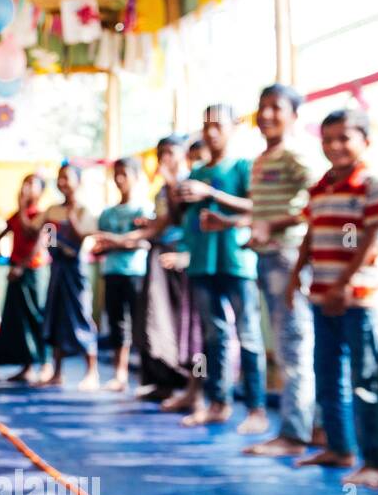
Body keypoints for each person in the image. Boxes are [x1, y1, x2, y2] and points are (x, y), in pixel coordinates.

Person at [291, 110, 378, 487]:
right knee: (328, 373)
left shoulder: (372, 184)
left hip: (360, 299)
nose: (335, 146)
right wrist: (295, 277)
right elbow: (310, 235)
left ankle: (375, 460)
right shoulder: (320, 188)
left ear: (365, 141)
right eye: (328, 138)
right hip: (322, 296)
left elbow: (368, 241)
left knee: (365, 380)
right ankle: (340, 448)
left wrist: (343, 285)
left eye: (344, 137)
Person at [175, 104, 268, 433]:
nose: (211, 132)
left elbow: (259, 206)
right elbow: (183, 221)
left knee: (248, 336)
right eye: (206, 125)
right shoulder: (195, 172)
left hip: (237, 262)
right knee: (213, 338)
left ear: (234, 127)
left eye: (217, 125)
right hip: (201, 263)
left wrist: (212, 193)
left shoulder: (244, 166)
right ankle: (218, 403)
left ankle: (256, 408)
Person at [243, 84, 318, 456]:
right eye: (262, 107)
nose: (267, 114)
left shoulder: (295, 154)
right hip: (268, 256)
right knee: (293, 342)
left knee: (293, 345)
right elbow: (268, 210)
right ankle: (314, 428)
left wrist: (274, 226)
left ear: (293, 115)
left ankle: (293, 434)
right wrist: (256, 230)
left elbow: (319, 198)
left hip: (291, 257)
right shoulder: (261, 159)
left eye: (276, 107)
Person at [131, 136, 204, 409]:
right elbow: (163, 223)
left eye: (171, 153)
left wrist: (186, 256)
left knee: (190, 330)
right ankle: (164, 383)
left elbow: (184, 221)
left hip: (185, 259)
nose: (165, 159)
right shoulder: (162, 189)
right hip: (162, 256)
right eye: (161, 153)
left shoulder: (191, 183)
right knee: (156, 324)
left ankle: (192, 387)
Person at [38, 164, 100, 391]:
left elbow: (82, 237)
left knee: (80, 316)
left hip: (76, 269)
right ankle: (56, 372)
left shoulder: (84, 210)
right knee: (55, 318)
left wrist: (71, 213)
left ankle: (92, 372)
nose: (63, 182)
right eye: (60, 178)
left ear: (78, 182)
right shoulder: (51, 210)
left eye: (68, 178)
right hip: (56, 269)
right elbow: (36, 232)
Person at [93, 157, 151, 392]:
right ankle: (120, 373)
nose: (119, 179)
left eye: (124, 174)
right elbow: (99, 245)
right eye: (116, 174)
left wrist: (115, 242)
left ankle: (146, 376)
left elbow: (145, 242)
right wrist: (123, 242)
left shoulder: (143, 210)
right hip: (112, 272)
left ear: (136, 177)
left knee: (141, 324)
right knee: (117, 323)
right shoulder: (107, 214)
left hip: (137, 272)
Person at [0, 173, 48, 383]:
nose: (27, 188)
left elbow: (33, 236)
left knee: (37, 316)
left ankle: (45, 364)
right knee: (18, 320)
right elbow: (0, 233)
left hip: (33, 271)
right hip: (15, 270)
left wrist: (22, 266)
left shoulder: (42, 215)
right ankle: (26, 366)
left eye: (32, 185)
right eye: (25, 183)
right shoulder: (17, 214)